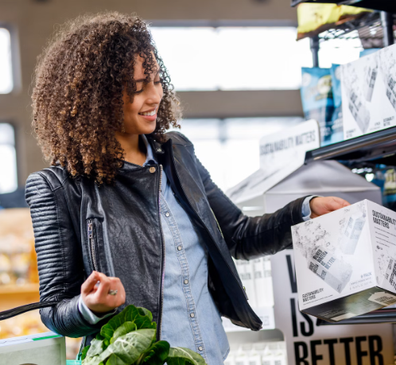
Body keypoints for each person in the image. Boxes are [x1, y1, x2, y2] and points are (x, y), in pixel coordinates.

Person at [25, 12, 349, 364]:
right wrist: (90, 306)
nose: (154, 97)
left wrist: (305, 210)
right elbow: (54, 308)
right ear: (96, 97)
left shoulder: (177, 155)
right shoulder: (59, 188)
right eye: (137, 88)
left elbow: (239, 236)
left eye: (156, 82)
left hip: (211, 356)